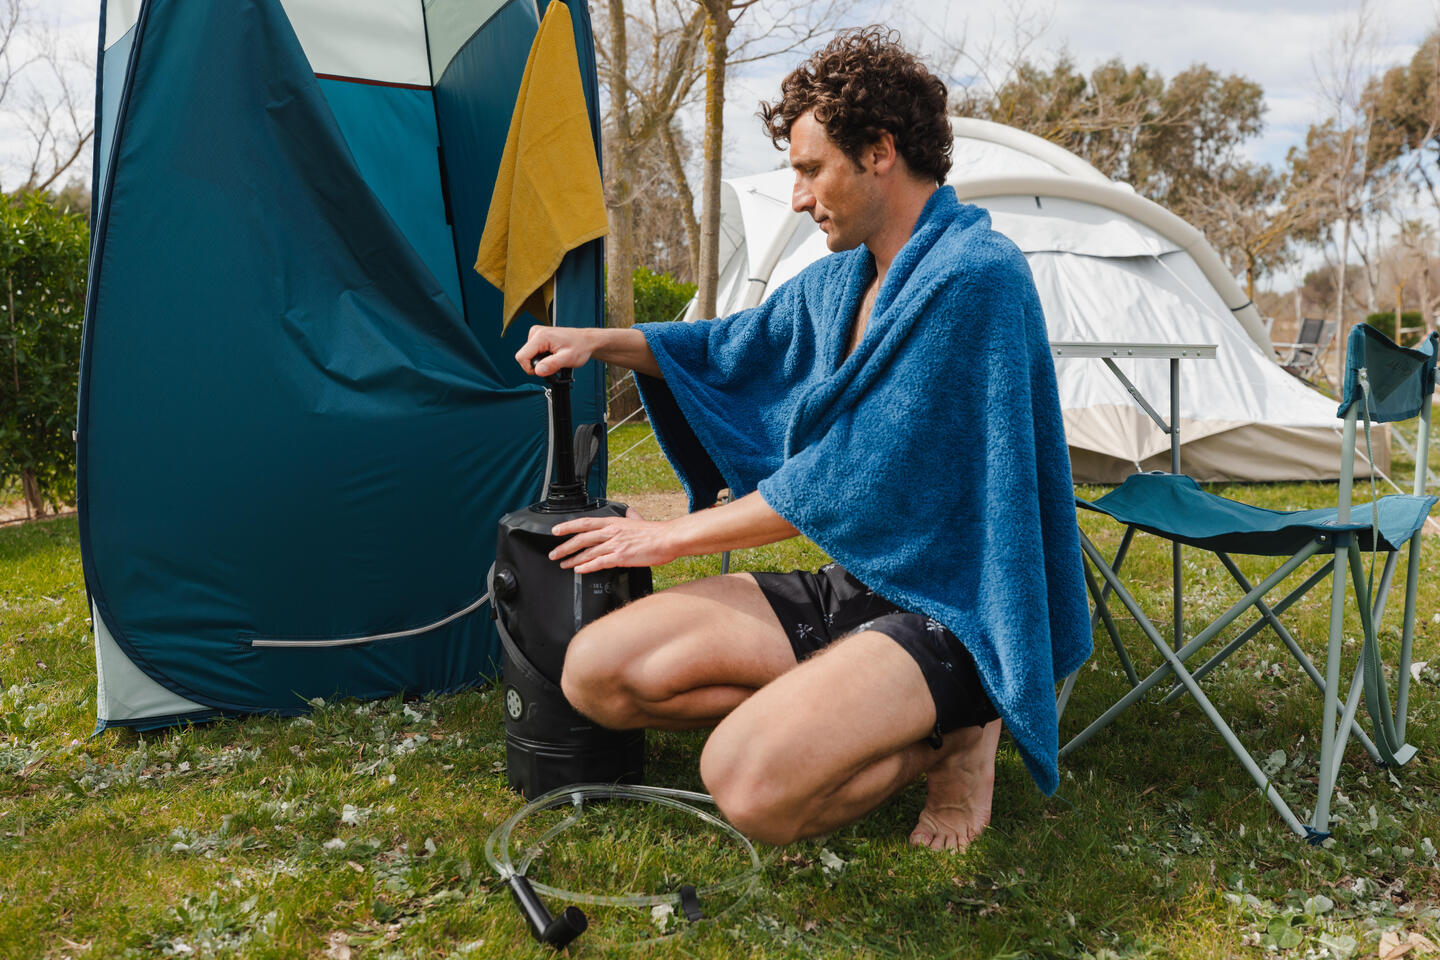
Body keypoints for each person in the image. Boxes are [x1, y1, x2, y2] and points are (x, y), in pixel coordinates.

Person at [514, 28, 1089, 851]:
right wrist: (595, 342)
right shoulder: (847, 276)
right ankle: (837, 712)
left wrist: (666, 537)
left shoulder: (974, 277)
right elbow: (732, 347)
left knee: (747, 788)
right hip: (859, 586)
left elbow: (849, 478)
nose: (797, 196)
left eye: (811, 170)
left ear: (880, 151)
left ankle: (959, 736)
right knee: (596, 673)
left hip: (952, 610)